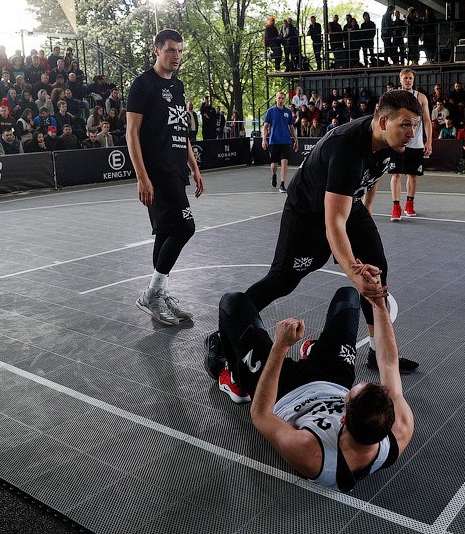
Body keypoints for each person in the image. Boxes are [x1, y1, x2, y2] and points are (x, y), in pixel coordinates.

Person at [245, 90, 423, 374]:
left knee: (377, 267)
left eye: (415, 124)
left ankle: (379, 353)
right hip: (306, 212)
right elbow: (333, 224)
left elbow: (373, 174)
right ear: (383, 122)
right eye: (405, 124)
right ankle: (230, 327)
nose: (411, 133)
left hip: (346, 202)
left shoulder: (393, 142)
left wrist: (366, 209)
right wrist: (353, 274)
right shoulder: (347, 148)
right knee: (282, 281)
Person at [206, 285, 413, 492]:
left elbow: (260, 415)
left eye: (349, 395)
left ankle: (235, 379)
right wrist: (377, 302)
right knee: (348, 296)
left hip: (282, 392)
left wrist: (280, 346)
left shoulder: (313, 454)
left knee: (233, 302)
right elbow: (388, 362)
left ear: (343, 418)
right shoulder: (400, 429)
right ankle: (316, 352)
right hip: (332, 378)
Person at [127, 29, 204, 327]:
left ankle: (160, 292)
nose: (177, 56)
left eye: (180, 51)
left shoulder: (179, 86)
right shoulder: (143, 85)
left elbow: (181, 130)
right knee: (185, 226)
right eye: (171, 50)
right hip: (156, 171)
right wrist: (141, 177)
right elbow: (131, 133)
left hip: (176, 168)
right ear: (156, 50)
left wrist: (194, 168)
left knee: (165, 231)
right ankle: (152, 294)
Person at [389, 68, 433, 220]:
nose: (408, 80)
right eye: (405, 78)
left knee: (412, 176)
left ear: (413, 80)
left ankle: (409, 203)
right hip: (398, 143)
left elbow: (427, 120)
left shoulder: (420, 97)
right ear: (400, 79)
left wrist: (429, 141)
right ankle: (396, 206)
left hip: (416, 142)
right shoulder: (394, 97)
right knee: (396, 174)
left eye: (410, 78)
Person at [263, 91, 298, 192]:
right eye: (279, 98)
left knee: (284, 161)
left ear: (285, 99)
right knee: (274, 164)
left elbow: (291, 127)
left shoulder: (288, 112)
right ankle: (274, 174)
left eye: (283, 98)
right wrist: (264, 139)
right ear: (276, 99)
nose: (281, 100)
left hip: (286, 140)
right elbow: (265, 126)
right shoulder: (270, 111)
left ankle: (282, 184)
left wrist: (296, 139)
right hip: (274, 140)